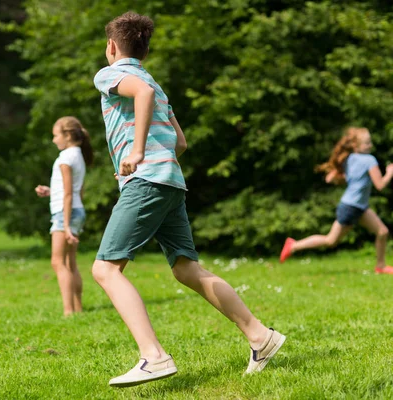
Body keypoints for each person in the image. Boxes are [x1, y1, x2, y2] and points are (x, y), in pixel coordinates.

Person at [91, 12, 285, 387]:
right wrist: (154, 156)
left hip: (147, 181)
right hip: (170, 181)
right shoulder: (156, 84)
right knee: (185, 268)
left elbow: (141, 97)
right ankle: (260, 336)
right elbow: (180, 142)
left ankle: (154, 357)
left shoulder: (110, 73)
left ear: (112, 46)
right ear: (144, 49)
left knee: (105, 269)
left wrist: (137, 152)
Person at [280, 127, 393, 273]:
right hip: (351, 207)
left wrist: (336, 176)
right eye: (366, 143)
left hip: (359, 206)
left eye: (370, 142)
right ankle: (293, 245)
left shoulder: (350, 158)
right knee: (330, 241)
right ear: (355, 146)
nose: (370, 146)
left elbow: (343, 177)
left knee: (382, 232)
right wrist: (390, 173)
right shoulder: (369, 160)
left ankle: (381, 266)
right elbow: (380, 185)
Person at [35, 117, 94, 316]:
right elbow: (76, 190)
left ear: (67, 136)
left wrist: (66, 226)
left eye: (56, 135)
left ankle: (68, 311)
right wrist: (51, 191)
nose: (54, 140)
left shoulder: (65, 159)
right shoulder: (78, 156)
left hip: (65, 214)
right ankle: (77, 308)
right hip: (76, 211)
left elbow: (68, 194)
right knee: (70, 262)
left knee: (57, 262)